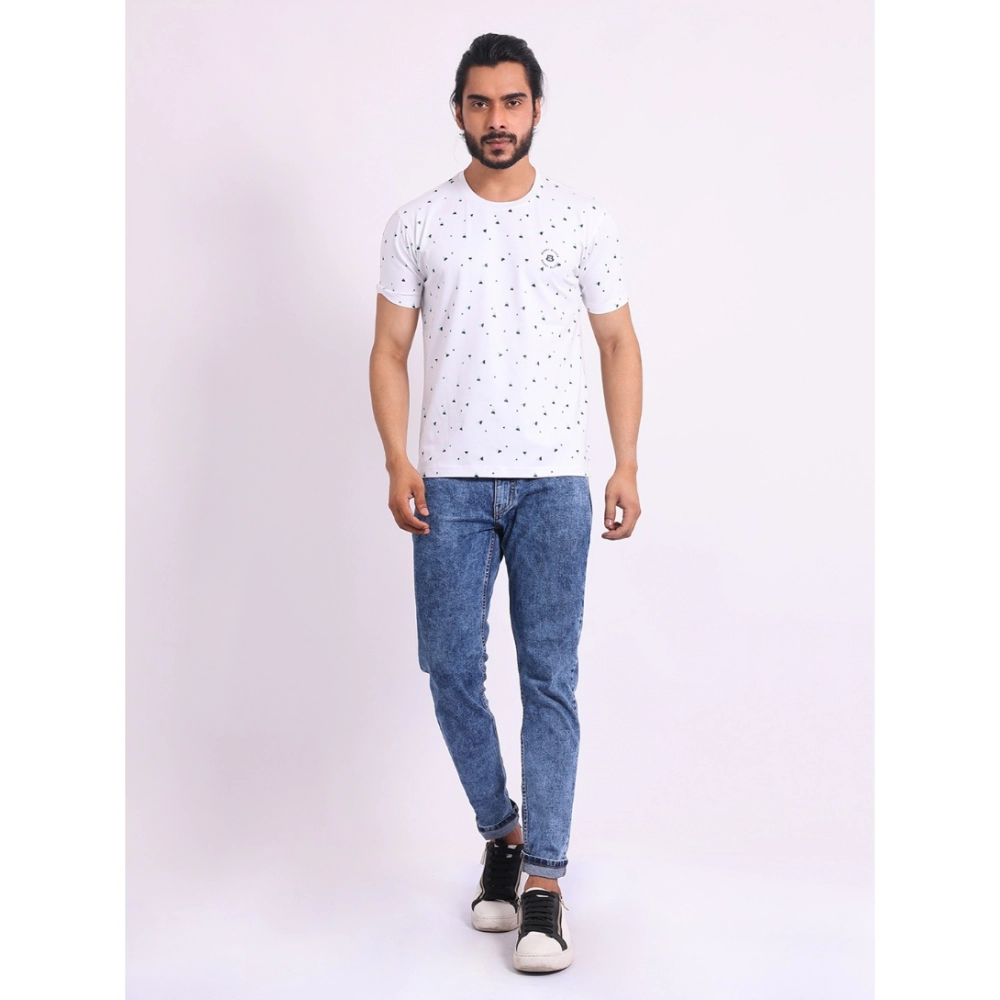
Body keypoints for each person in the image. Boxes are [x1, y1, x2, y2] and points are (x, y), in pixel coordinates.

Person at [369, 32, 642, 974]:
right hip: (448, 481)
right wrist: (397, 459)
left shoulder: (582, 220)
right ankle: (503, 830)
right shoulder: (417, 223)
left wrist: (626, 463)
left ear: (536, 108)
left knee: (548, 677)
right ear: (458, 110)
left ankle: (545, 885)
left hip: (555, 482)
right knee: (449, 666)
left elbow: (618, 343)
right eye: (481, 102)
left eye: (512, 101)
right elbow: (389, 350)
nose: (497, 119)